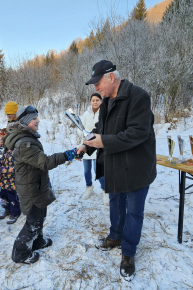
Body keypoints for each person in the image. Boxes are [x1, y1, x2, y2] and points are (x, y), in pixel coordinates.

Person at [77, 60, 157, 281]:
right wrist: (88, 141)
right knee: (115, 203)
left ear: (111, 77)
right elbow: (100, 129)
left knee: (133, 211)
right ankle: (115, 236)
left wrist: (104, 142)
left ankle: (128, 253)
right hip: (114, 165)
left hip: (136, 168)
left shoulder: (139, 97)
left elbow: (138, 133)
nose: (95, 88)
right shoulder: (106, 102)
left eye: (97, 83)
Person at [5, 105, 82, 264]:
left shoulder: (27, 138)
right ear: (25, 122)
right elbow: (45, 162)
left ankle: (37, 241)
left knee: (40, 216)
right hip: (31, 189)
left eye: (37, 117)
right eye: (34, 119)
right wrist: (70, 154)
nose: (37, 121)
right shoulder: (25, 144)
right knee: (33, 223)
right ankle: (20, 254)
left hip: (35, 185)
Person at [0, 101, 21, 221]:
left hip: (14, 156)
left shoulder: (20, 124)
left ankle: (14, 211)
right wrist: (3, 138)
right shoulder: (10, 123)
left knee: (11, 186)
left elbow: (17, 140)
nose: (9, 116)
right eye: (7, 114)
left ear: (16, 112)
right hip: (6, 155)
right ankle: (7, 208)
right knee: (4, 186)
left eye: (11, 113)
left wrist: (6, 138)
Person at [80, 93, 106, 202]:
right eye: (93, 100)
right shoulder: (86, 114)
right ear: (90, 102)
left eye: (97, 100)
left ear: (101, 101)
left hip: (98, 146)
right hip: (87, 144)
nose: (95, 102)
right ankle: (89, 188)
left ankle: (105, 190)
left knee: (98, 170)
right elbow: (80, 126)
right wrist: (83, 133)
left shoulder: (104, 113)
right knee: (86, 170)